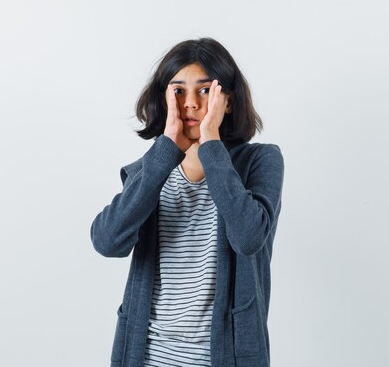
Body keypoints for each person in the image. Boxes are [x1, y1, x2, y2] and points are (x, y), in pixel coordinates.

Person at [90, 37, 284, 367]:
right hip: (146, 356)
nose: (190, 103)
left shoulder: (260, 161)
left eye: (205, 90)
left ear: (229, 101)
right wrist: (165, 151)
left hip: (227, 358)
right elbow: (108, 242)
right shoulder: (150, 169)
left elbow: (249, 237)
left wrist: (211, 143)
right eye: (178, 90)